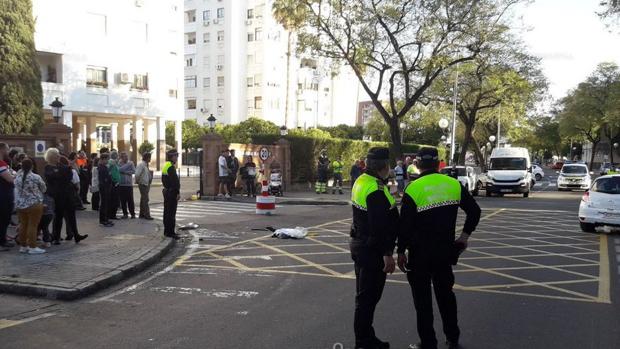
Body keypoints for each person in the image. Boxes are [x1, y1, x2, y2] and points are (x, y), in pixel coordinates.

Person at [397, 147, 481, 349]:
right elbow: (475, 211)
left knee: (423, 302)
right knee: (446, 297)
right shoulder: (453, 184)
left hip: (419, 255)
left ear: (416, 165)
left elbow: (405, 226)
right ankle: (453, 338)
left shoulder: (413, 189)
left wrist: (400, 251)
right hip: (445, 252)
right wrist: (464, 237)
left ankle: (428, 343)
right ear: (438, 163)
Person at [350, 147, 398, 349]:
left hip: (360, 245)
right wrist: (388, 254)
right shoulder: (375, 190)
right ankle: (364, 341)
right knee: (368, 298)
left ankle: (366, 337)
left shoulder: (362, 181)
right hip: (372, 250)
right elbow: (378, 226)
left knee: (363, 297)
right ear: (384, 167)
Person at [44, 148, 88, 244]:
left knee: (71, 215)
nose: (59, 157)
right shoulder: (48, 168)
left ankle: (76, 235)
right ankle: (56, 237)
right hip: (57, 196)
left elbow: (69, 176)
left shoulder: (61, 166)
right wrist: (61, 174)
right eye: (57, 155)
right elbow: (53, 177)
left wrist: (61, 174)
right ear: (51, 157)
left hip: (67, 194)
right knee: (58, 216)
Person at [14, 158, 47, 254]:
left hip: (20, 205)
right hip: (34, 204)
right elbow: (44, 189)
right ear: (32, 166)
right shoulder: (35, 177)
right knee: (33, 225)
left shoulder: (17, 177)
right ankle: (32, 246)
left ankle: (23, 246)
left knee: (23, 225)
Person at [162, 149, 181, 239]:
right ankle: (171, 232)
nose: (177, 157)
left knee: (166, 212)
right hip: (172, 193)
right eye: (176, 156)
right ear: (172, 157)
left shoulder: (166, 165)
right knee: (171, 213)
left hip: (167, 191)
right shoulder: (171, 167)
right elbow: (175, 182)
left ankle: (166, 231)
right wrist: (177, 192)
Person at [0, 143, 15, 249]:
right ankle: (2, 241)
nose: (8, 151)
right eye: (7, 149)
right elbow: (10, 178)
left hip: (6, 194)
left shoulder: (4, 163)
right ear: (2, 150)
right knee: (3, 218)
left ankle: (3, 239)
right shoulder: (1, 164)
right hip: (3, 195)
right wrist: (14, 175)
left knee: (5, 218)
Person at [135, 152, 153, 220]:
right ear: (147, 158)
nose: (150, 159)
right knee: (145, 199)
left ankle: (141, 214)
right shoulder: (141, 165)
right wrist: (137, 181)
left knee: (143, 199)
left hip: (145, 184)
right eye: (149, 158)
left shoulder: (145, 165)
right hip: (143, 184)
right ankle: (147, 215)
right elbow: (137, 174)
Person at [97, 153, 114, 227]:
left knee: (106, 204)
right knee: (104, 204)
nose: (108, 160)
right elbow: (102, 179)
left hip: (107, 187)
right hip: (104, 188)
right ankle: (103, 220)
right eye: (107, 159)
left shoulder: (105, 167)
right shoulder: (101, 167)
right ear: (103, 159)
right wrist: (106, 183)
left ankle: (106, 219)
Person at [118, 151, 136, 219]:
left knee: (130, 200)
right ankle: (125, 214)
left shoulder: (130, 163)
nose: (127, 158)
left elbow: (134, 171)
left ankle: (132, 214)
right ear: (122, 158)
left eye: (127, 157)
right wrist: (128, 166)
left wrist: (126, 172)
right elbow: (119, 170)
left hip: (129, 184)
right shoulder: (119, 163)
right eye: (125, 157)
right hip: (121, 184)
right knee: (123, 200)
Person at [107, 151, 121, 220]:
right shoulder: (112, 162)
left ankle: (112, 215)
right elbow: (110, 172)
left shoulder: (114, 163)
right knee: (114, 200)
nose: (118, 157)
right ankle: (112, 215)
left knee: (114, 200)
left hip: (115, 183)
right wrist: (114, 180)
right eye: (117, 155)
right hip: (114, 183)